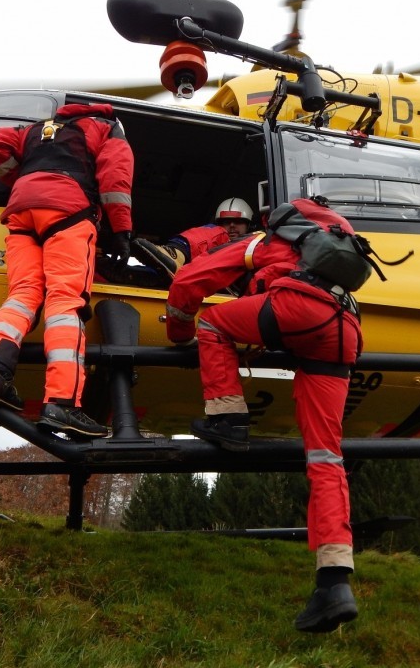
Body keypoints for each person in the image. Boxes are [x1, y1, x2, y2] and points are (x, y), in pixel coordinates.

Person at [163, 197, 363, 633]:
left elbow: (191, 281)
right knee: (326, 458)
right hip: (344, 330)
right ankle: (334, 582)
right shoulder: (336, 244)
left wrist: (177, 330)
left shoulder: (265, 240)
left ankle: (228, 417)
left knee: (212, 323)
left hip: (297, 310)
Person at [0, 103, 134, 439]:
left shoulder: (37, 129)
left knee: (22, 296)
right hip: (69, 212)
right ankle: (61, 402)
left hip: (22, 212)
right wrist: (121, 230)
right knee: (64, 301)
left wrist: (20, 177)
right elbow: (115, 174)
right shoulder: (106, 127)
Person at [130, 197, 254, 285]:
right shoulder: (215, 246)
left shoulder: (257, 245)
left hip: (241, 287)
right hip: (210, 283)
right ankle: (133, 273)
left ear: (249, 226)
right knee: (170, 272)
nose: (232, 225)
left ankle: (176, 253)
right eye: (226, 222)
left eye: (238, 222)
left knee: (219, 233)